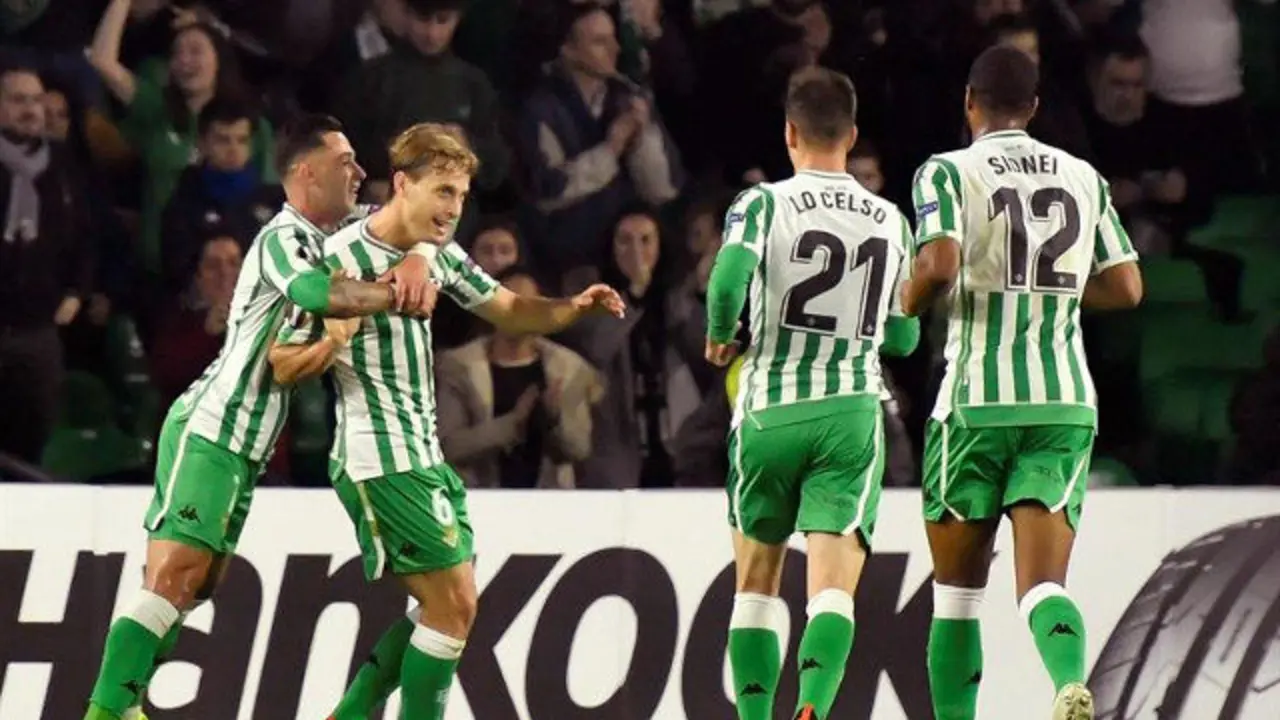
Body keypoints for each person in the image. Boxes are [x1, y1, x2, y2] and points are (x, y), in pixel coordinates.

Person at [80, 114, 438, 720]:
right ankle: (106, 713)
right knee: (175, 578)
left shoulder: (343, 232)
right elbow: (319, 296)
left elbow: (416, 220)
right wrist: (395, 295)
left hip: (247, 445)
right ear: (306, 172)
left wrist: (420, 257)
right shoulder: (282, 238)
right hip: (214, 429)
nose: (360, 172)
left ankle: (126, 703)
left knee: (194, 586)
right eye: (345, 161)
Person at [266, 122, 624, 720]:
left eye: (460, 195)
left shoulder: (437, 254)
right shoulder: (338, 258)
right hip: (378, 457)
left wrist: (572, 307)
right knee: (453, 606)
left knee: (448, 607)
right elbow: (281, 361)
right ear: (402, 184)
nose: (454, 208)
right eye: (442, 191)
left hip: (424, 455)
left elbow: (511, 310)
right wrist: (333, 340)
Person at [900, 46, 1143, 720]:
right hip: (1061, 401)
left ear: (969, 102)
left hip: (976, 403)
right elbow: (1128, 286)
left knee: (956, 598)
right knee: (1041, 586)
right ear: (1033, 108)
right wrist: (1050, 291)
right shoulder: (1083, 176)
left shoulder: (947, 171)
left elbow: (939, 264)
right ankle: (1067, 680)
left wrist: (905, 302)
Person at [703, 66, 919, 720]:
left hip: (769, 408)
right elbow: (904, 339)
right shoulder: (890, 220)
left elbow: (726, 281)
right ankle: (814, 709)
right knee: (831, 591)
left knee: (755, 588)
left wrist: (720, 335)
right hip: (850, 413)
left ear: (790, 133)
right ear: (850, 135)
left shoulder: (761, 204)